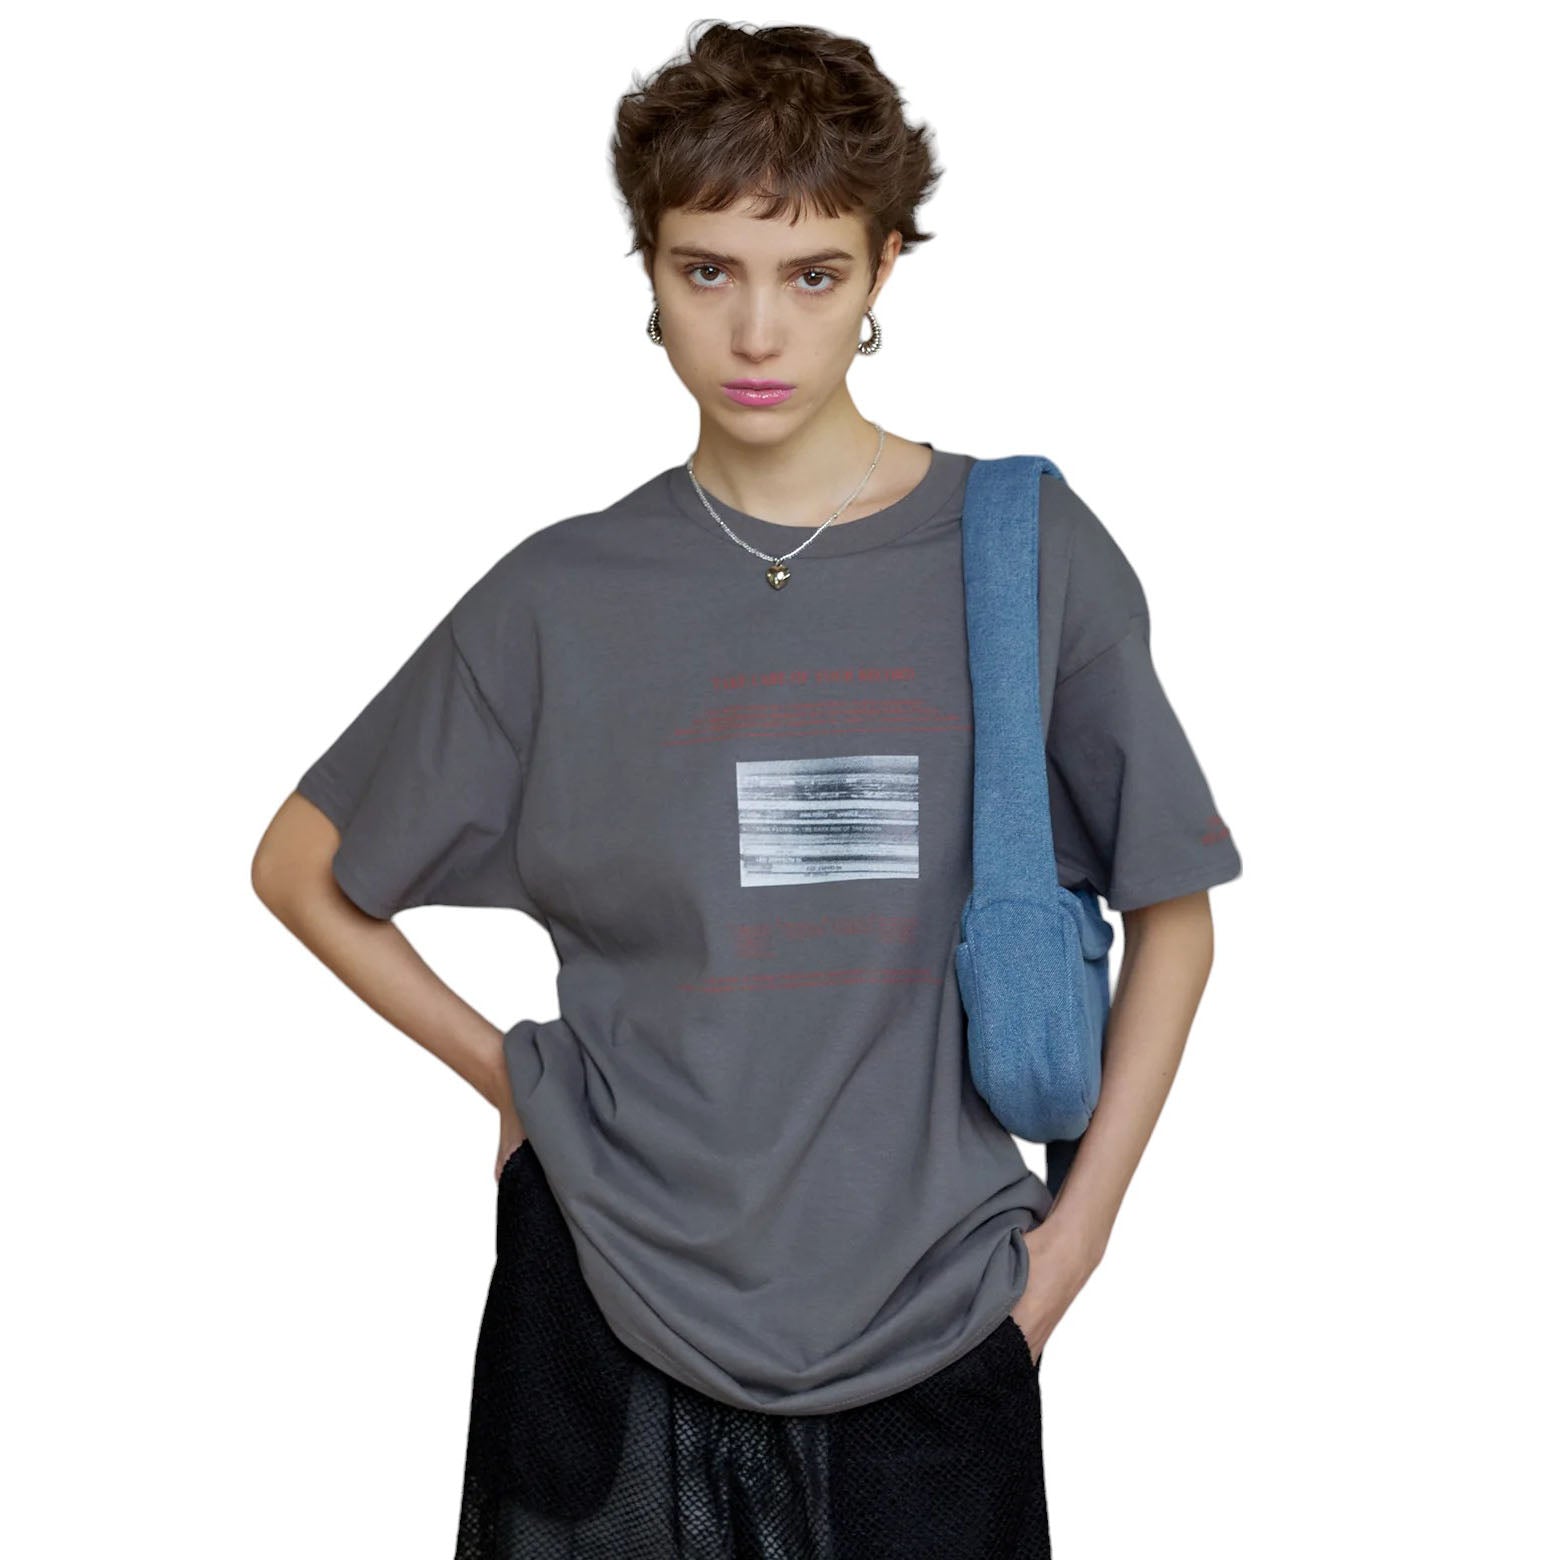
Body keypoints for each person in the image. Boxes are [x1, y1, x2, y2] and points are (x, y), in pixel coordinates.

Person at [252, 20, 1243, 1559]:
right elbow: (303, 866)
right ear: (649, 274)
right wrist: (512, 1079)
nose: (759, 331)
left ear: (887, 268)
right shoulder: (561, 598)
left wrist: (1077, 1245)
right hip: (605, 1315)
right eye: (708, 270)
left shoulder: (1023, 558)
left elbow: (1173, 907)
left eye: (814, 274)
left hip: (936, 1320)